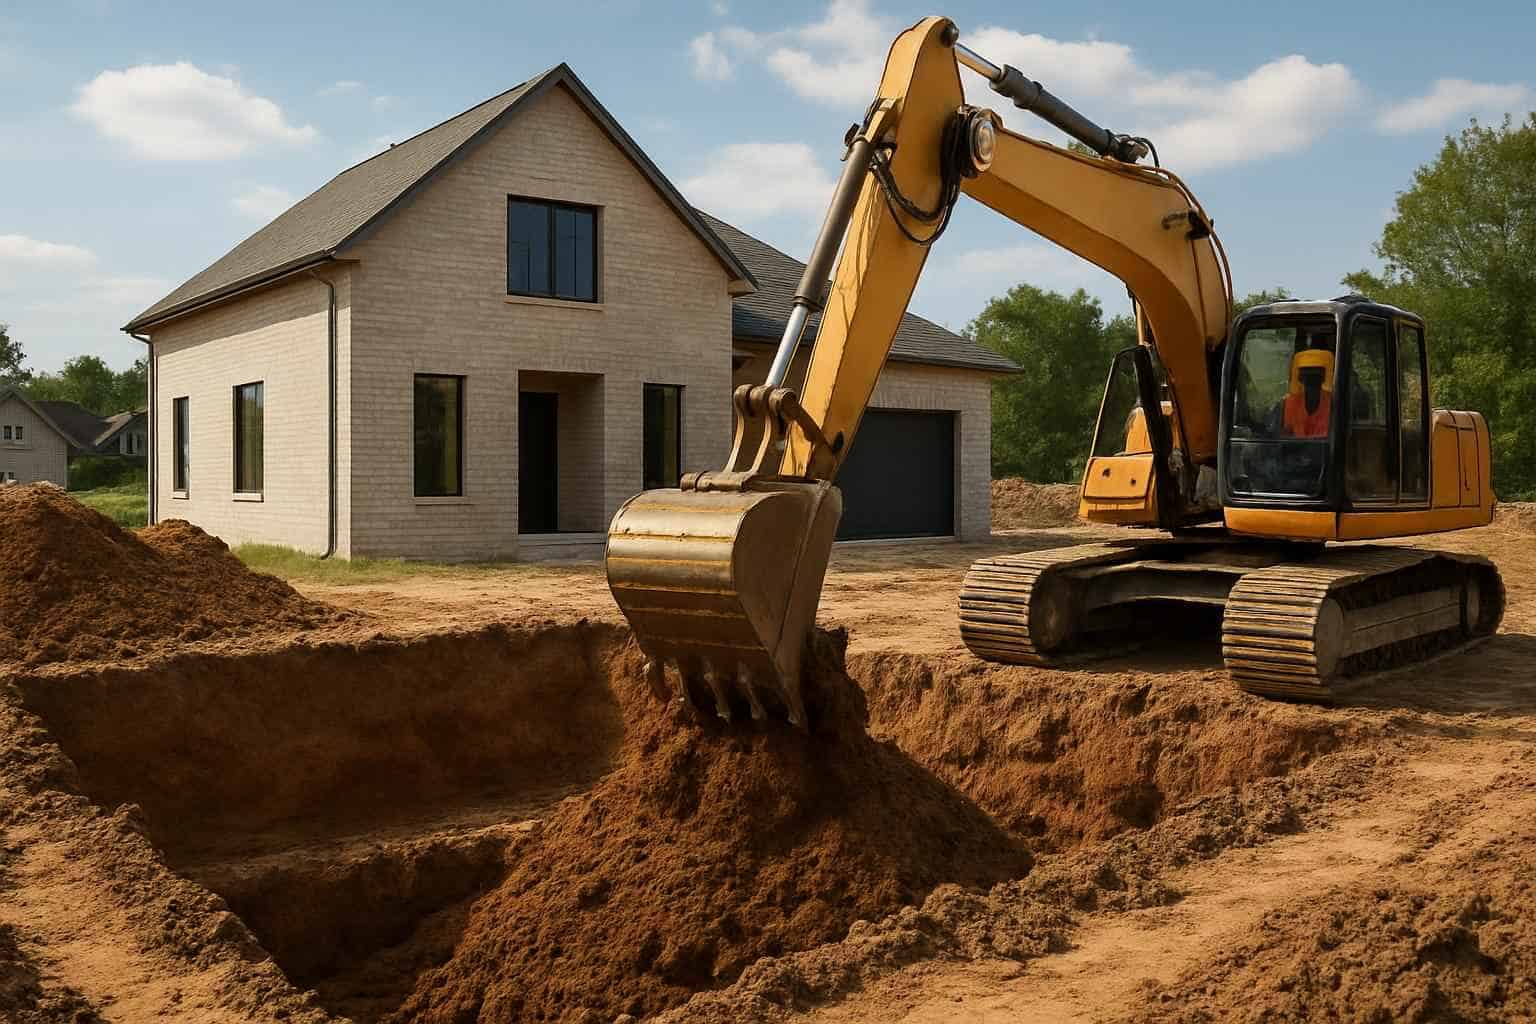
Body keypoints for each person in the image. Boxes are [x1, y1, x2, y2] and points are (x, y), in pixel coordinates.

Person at [1279, 349, 1334, 439]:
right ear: (1301, 379)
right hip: (1296, 451)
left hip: (1325, 451)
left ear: (1323, 378)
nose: (1311, 381)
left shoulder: (1333, 402)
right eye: (1307, 377)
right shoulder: (1288, 403)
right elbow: (1283, 438)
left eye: (1316, 376)